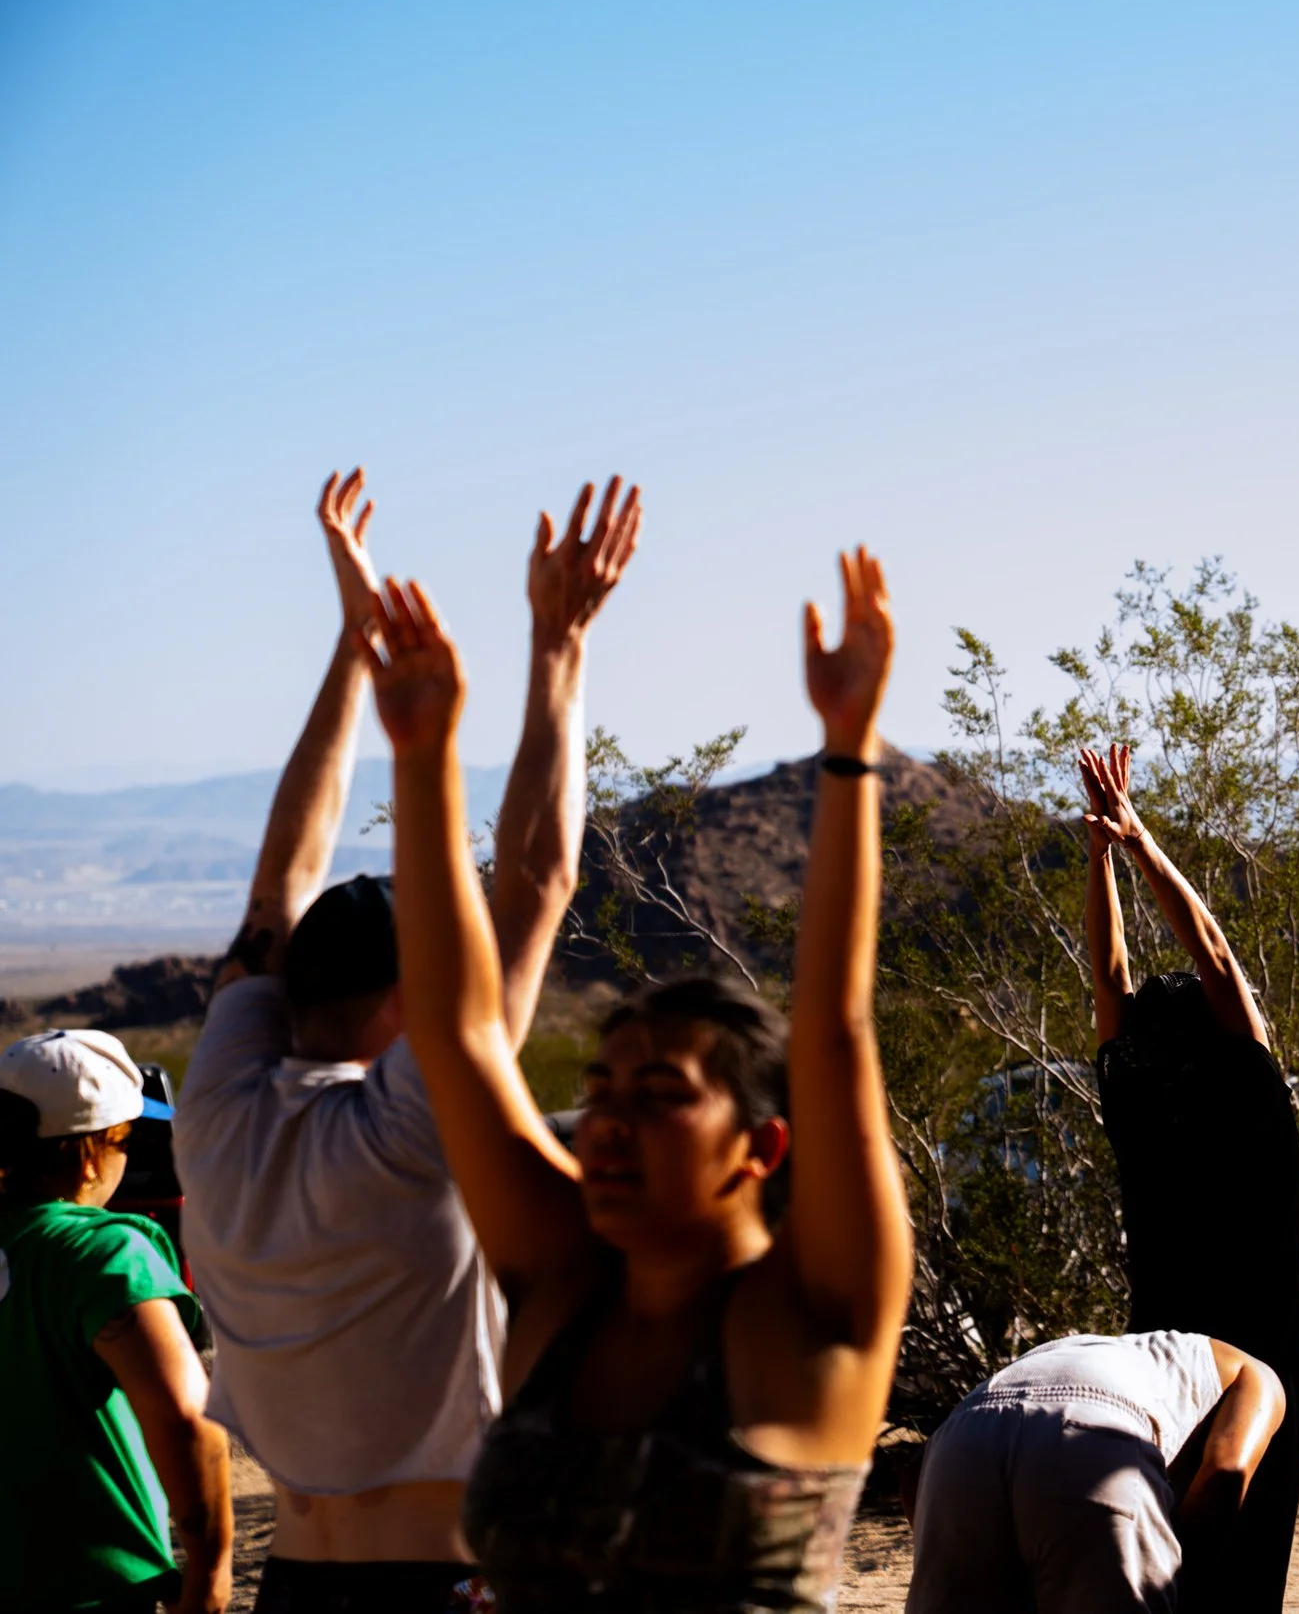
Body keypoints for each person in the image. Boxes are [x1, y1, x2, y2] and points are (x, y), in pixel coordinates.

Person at [356, 549, 913, 1610]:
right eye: (603, 1091)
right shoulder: (562, 1279)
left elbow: (836, 1034)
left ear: (763, 1145)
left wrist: (848, 753)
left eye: (660, 1097)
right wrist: (422, 760)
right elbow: (459, 1034)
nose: (608, 1122)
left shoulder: (809, 1314)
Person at [171, 472, 638, 1613]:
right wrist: (560, 647)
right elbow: (538, 879)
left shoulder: (217, 1106)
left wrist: (350, 645)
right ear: (409, 995)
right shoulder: (420, 1122)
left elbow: (279, 881)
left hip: (297, 1582)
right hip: (445, 1579)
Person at [1079, 741, 1299, 1611]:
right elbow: (1212, 950)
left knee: (1165, 1590)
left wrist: (1100, 855)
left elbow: (1108, 975)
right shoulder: (1256, 1104)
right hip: (1265, 1385)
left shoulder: (1140, 1116)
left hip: (1160, 1381)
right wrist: (1137, 840)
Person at [2, 1029, 232, 1614]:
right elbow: (186, 1418)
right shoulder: (103, 1255)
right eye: (129, 1140)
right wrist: (210, 1573)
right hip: (94, 1587)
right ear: (89, 1155)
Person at [902, 1331, 1288, 1613]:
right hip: (1094, 1429)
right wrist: (1183, 1589)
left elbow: (913, 1476)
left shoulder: (1122, 1354)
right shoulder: (1257, 1375)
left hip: (961, 1439)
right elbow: (1226, 1470)